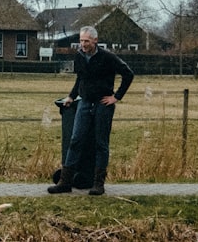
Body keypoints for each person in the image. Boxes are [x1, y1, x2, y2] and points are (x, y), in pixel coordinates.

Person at [48, 25, 134, 196]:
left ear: (95, 40)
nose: (83, 44)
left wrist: (116, 97)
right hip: (85, 102)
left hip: (103, 103)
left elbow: (128, 74)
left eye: (86, 41)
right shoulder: (79, 56)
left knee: (101, 143)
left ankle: (98, 184)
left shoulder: (108, 57)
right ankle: (65, 182)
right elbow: (80, 78)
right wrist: (71, 97)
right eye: (81, 40)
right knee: (75, 139)